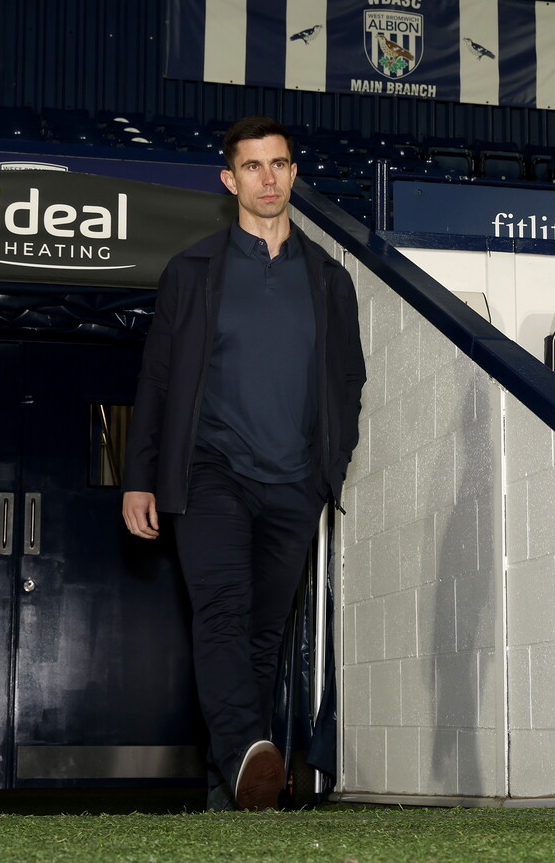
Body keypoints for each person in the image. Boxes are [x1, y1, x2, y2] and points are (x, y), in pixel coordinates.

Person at [121, 115, 365, 811]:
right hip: (211, 470)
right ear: (230, 179)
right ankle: (245, 755)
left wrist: (330, 467)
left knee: (261, 638)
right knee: (222, 614)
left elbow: (348, 381)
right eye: (253, 167)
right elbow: (159, 381)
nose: (268, 178)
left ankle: (232, 790)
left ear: (293, 174)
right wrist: (140, 476)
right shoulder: (193, 271)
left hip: (295, 483)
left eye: (280, 165)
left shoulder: (328, 280)